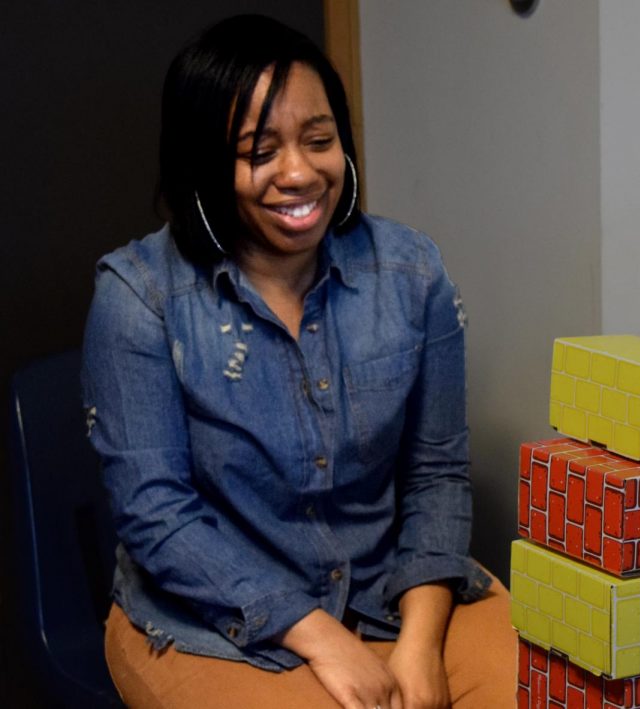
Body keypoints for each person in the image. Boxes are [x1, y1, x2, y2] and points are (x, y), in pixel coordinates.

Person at [82, 14, 517, 709]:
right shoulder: (140, 296)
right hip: (208, 620)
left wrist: (419, 639)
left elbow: (436, 471)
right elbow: (155, 513)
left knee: (557, 688)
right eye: (259, 150)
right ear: (204, 162)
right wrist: (317, 634)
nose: (299, 172)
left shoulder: (411, 272)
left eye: (319, 141)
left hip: (390, 591)